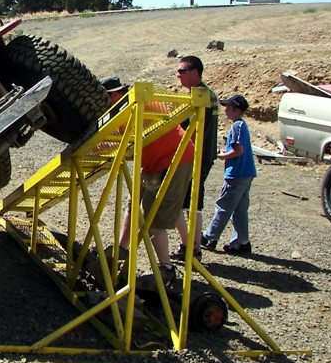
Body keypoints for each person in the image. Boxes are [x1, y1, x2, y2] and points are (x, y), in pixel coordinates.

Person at [102, 77, 195, 284]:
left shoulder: (132, 109)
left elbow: (127, 149)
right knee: (133, 206)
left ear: (115, 95)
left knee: (153, 220)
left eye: (105, 98)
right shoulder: (132, 105)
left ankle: (166, 269)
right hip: (155, 163)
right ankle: (122, 250)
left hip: (175, 159)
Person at [170, 56, 219, 262]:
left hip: (194, 156)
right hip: (202, 156)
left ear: (195, 72)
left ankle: (189, 245)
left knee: (177, 201)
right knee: (194, 201)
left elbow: (188, 130)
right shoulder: (208, 94)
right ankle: (193, 246)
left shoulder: (199, 96)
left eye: (182, 71)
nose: (178, 75)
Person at [201, 94, 257, 254]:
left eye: (228, 108)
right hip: (246, 172)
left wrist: (222, 155)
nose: (226, 111)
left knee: (224, 206)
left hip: (236, 174)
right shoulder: (242, 125)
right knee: (239, 209)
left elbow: (238, 150)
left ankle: (209, 236)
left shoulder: (236, 126)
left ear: (237, 110)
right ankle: (241, 241)